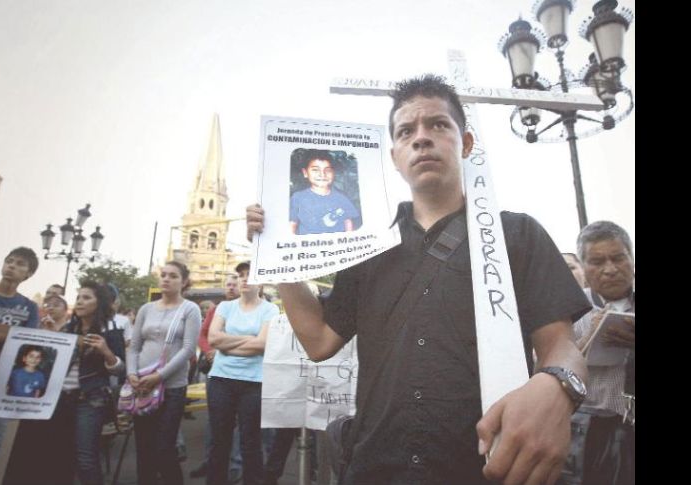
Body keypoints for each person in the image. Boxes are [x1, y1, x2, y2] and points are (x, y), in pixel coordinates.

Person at [247, 74, 592, 485]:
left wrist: (557, 386)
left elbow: (560, 346)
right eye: (406, 131)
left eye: (438, 125)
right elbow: (319, 340)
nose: (421, 138)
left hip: (485, 468)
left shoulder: (517, 234)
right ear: (393, 155)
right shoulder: (366, 244)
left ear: (465, 143)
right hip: (375, 469)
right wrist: (279, 252)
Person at [4, 280, 126, 485]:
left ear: (100, 303)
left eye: (86, 298)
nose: (80, 302)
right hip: (60, 399)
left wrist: (106, 351)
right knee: (60, 452)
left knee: (85, 458)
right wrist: (51, 337)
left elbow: (120, 369)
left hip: (90, 399)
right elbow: (51, 362)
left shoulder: (110, 332)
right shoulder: (69, 329)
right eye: (78, 297)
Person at [571, 221, 635, 485]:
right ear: (584, 268)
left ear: (631, 258)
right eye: (597, 262)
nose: (610, 269)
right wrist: (589, 337)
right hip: (592, 432)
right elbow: (545, 368)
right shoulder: (570, 309)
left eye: (618, 257)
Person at [128, 261, 202, 485]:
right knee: (144, 447)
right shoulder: (146, 309)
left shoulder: (190, 309)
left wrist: (159, 376)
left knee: (164, 448)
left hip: (171, 388)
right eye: (163, 275)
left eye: (173, 276)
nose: (166, 279)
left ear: (184, 281)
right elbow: (134, 346)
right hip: (141, 387)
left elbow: (188, 348)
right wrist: (132, 374)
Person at [207, 261, 279, 485]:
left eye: (251, 275)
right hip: (220, 379)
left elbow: (263, 344)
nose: (245, 279)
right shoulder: (225, 307)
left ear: (262, 283)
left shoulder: (270, 309)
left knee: (250, 442)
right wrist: (249, 340)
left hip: (254, 382)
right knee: (219, 440)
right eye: (241, 275)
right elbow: (212, 339)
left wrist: (227, 344)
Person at [0, 246, 40, 479]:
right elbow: (19, 338)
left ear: (28, 274)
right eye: (9, 261)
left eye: (20, 264)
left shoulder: (29, 308)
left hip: (2, 386)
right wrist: (12, 334)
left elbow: (28, 343)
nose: (12, 266)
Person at [190, 274, 244, 482]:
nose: (230, 288)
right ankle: (210, 461)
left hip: (241, 372)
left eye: (234, 285)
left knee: (238, 422)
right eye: (228, 285)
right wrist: (210, 351)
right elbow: (203, 334)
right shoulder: (216, 309)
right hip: (216, 370)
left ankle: (235, 464)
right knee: (214, 420)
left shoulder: (248, 309)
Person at [289, 149, 360, 235]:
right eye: (315, 170)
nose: (322, 174)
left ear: (333, 173)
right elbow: (292, 225)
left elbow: (348, 224)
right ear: (305, 173)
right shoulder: (297, 198)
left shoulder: (342, 199)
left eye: (328, 170)